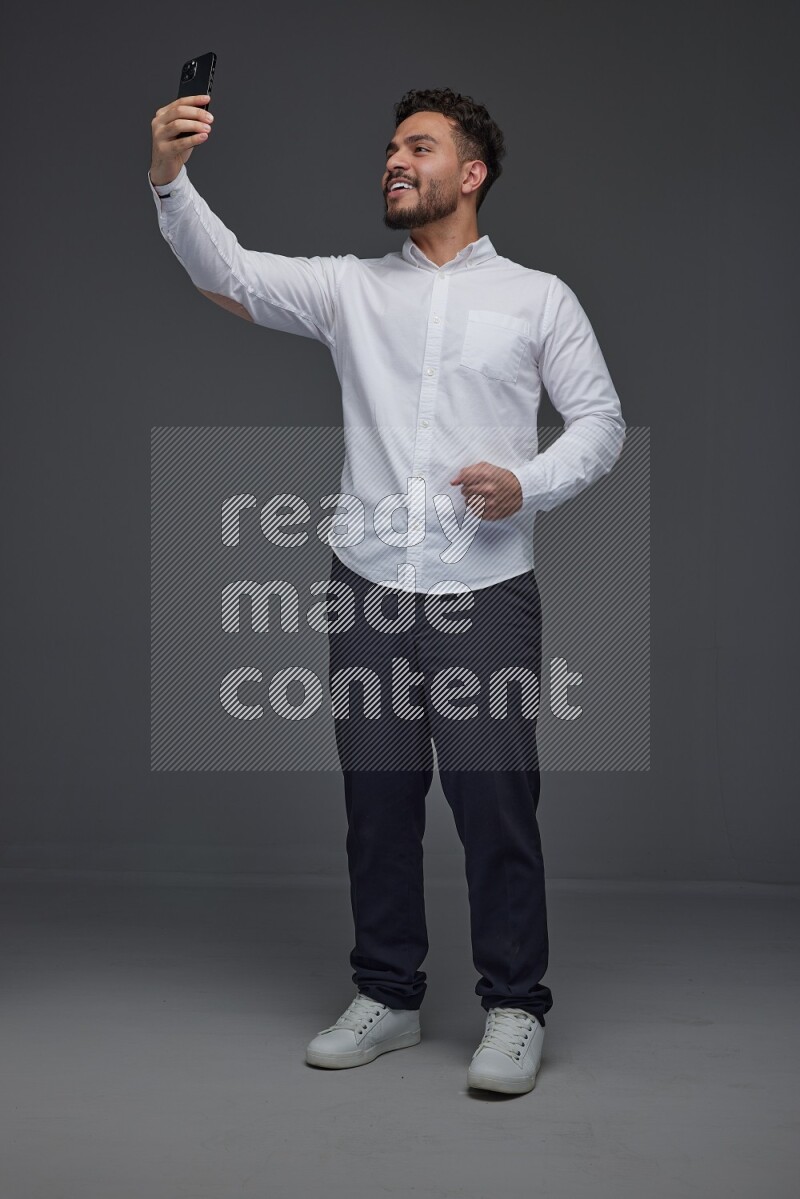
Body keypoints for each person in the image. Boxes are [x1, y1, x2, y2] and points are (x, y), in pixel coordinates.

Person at [148, 86, 626, 1096]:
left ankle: (512, 1004)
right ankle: (388, 993)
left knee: (495, 799)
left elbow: (599, 421)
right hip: (366, 588)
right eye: (388, 150)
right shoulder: (349, 289)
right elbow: (225, 272)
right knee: (377, 801)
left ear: (472, 171)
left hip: (483, 589)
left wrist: (524, 482)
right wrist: (169, 176)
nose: (393, 162)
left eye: (418, 147)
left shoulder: (536, 299)